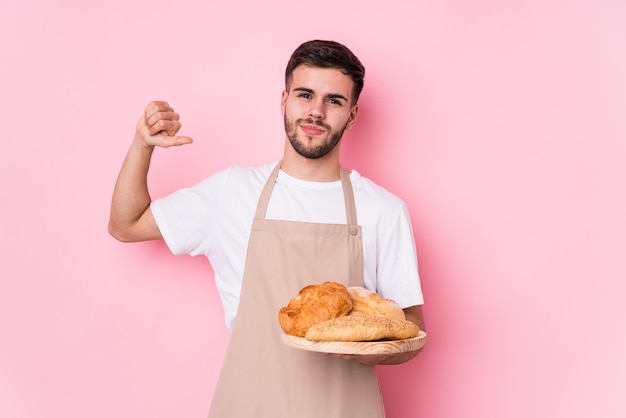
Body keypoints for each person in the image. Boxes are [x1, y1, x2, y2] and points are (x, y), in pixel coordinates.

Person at [109, 39, 425, 418]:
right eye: (305, 94)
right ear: (284, 99)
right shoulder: (233, 191)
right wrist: (143, 144)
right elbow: (126, 224)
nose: (316, 111)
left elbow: (412, 328)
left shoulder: (383, 210)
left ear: (353, 115)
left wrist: (360, 347)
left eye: (334, 101)